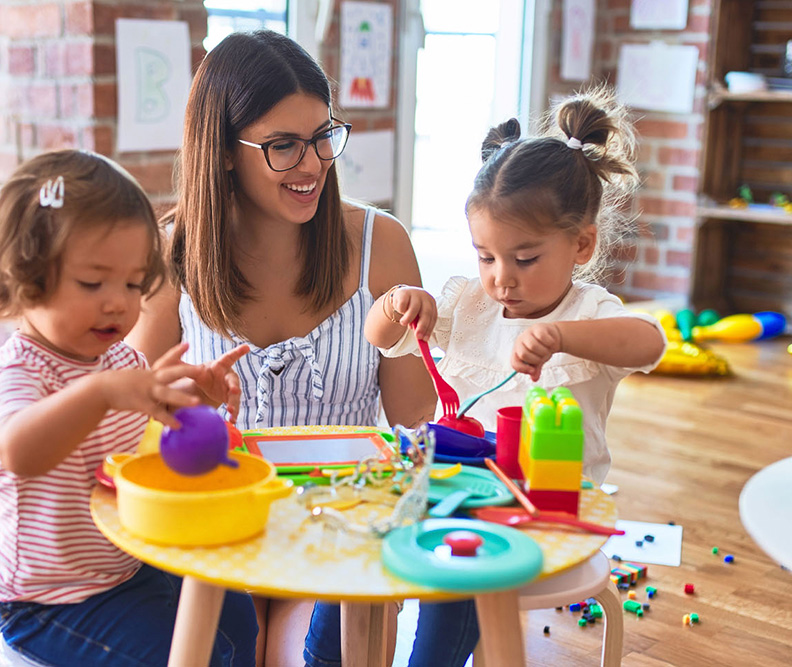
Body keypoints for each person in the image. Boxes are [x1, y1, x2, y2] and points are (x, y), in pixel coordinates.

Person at [127, 29, 479, 667]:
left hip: (336, 534)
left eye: (322, 137)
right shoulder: (171, 250)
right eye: (283, 146)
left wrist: (417, 343)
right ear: (224, 153)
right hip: (216, 532)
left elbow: (414, 430)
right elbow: (130, 420)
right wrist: (180, 402)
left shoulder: (381, 243)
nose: (313, 164)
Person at [0, 149, 257, 667]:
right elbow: (18, 451)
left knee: (235, 617)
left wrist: (197, 400)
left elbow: (153, 422)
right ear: (25, 276)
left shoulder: (121, 358)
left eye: (131, 283)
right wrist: (101, 392)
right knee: (196, 655)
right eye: (92, 282)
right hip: (49, 599)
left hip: (128, 562)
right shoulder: (20, 371)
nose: (118, 303)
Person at [365, 88, 668, 485]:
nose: (502, 277)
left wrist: (560, 336)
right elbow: (378, 337)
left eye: (525, 259)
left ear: (581, 244)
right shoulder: (468, 304)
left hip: (554, 505)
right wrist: (396, 304)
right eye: (486, 257)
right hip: (461, 489)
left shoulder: (587, 312)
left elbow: (650, 343)